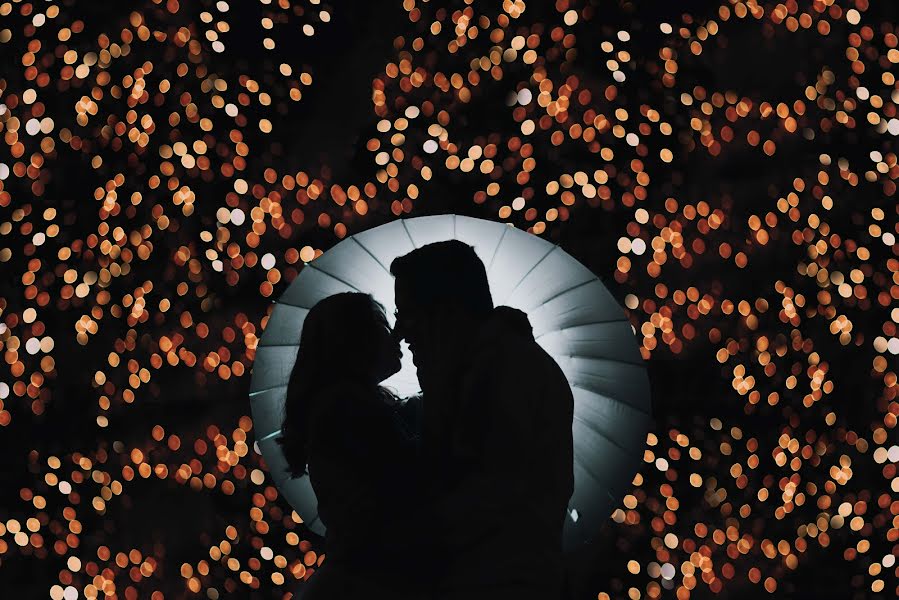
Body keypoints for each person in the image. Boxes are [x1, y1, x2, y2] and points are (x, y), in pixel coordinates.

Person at [391, 240, 575, 600]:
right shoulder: (478, 373)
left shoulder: (507, 373)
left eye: (408, 314)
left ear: (446, 311)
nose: (402, 333)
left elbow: (484, 497)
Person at [276, 292, 428, 600]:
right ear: (355, 340)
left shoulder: (353, 403)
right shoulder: (345, 408)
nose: (397, 334)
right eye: (383, 325)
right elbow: (410, 473)